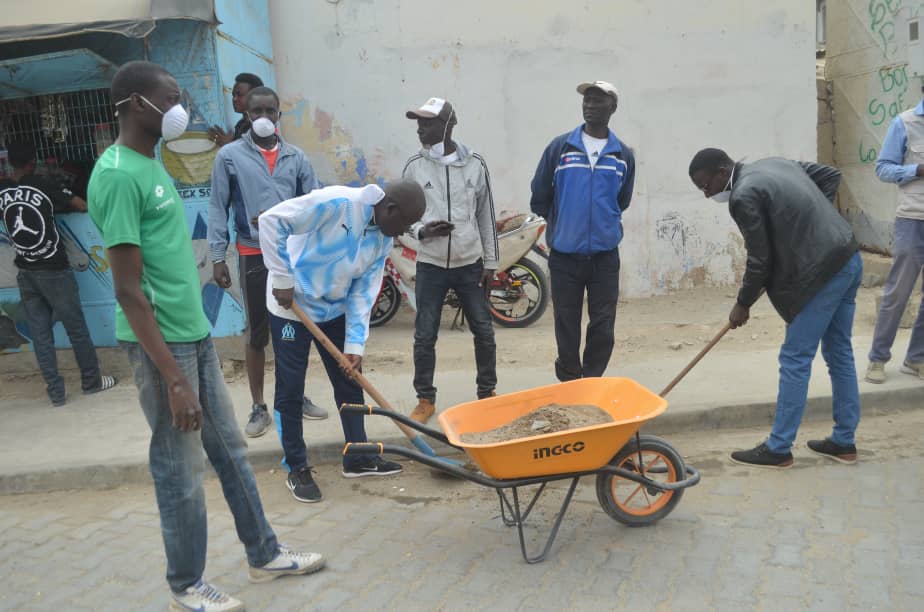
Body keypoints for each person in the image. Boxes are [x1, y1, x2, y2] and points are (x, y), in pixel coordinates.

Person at [88, 60, 324, 612]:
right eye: (168, 98)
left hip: (191, 335)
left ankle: (263, 553)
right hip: (162, 351)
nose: (180, 109)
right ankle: (185, 585)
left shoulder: (150, 164)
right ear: (133, 105)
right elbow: (126, 290)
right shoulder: (118, 174)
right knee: (179, 468)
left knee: (231, 451)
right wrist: (172, 378)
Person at [689, 148, 863, 468]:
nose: (707, 193)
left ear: (722, 169)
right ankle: (844, 441)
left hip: (822, 274)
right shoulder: (774, 163)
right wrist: (810, 226)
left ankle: (779, 447)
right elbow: (829, 175)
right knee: (840, 352)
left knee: (795, 358)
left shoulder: (743, 196)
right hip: (848, 258)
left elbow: (760, 261)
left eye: (706, 185)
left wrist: (742, 305)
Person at [258, 180, 425, 502]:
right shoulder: (335, 203)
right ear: (389, 209)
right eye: (404, 223)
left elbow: (364, 292)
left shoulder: (382, 239)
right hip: (289, 311)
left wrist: (354, 346)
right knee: (291, 387)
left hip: (333, 311)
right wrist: (281, 277)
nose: (404, 231)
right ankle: (297, 466)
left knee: (350, 381)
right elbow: (271, 221)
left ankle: (358, 456)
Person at [208, 85, 328, 440]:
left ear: (279, 115)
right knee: (258, 332)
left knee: (294, 330)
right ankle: (259, 406)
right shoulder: (229, 157)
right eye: (256, 111)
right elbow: (218, 206)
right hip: (252, 255)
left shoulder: (296, 158)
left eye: (269, 111)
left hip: (291, 257)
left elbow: (314, 203)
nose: (263, 118)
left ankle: (294, 396)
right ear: (246, 114)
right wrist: (218, 256)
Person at [530, 80, 636, 382]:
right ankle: (569, 379)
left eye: (598, 101)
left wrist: (601, 222)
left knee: (603, 323)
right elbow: (540, 194)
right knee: (566, 322)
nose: (590, 105)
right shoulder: (561, 148)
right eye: (587, 100)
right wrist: (562, 221)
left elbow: (622, 200)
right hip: (565, 255)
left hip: (604, 257)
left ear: (613, 107)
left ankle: (591, 380)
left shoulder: (622, 155)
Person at [402, 97, 499, 424]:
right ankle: (425, 399)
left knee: (484, 332)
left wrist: (491, 262)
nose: (420, 128)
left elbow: (486, 215)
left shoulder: (475, 165)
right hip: (430, 264)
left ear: (448, 125)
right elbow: (400, 217)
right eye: (418, 122)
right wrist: (422, 231)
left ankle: (487, 394)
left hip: (469, 262)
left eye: (427, 122)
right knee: (425, 334)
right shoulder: (415, 166)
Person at [0, 141, 117, 406]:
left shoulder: (3, 189)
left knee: (41, 335)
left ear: (9, 164)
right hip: (53, 269)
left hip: (25, 271)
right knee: (76, 327)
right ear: (33, 162)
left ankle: (56, 393)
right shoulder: (43, 184)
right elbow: (81, 205)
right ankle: (92, 382)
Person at [865, 92, 924, 383]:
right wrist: (916, 169)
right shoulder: (905, 122)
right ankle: (877, 359)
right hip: (912, 220)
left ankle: (916, 359)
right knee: (898, 291)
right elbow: (883, 169)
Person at [207, 72, 264, 146]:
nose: (234, 99)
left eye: (239, 95)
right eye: (233, 95)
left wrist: (229, 145)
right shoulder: (241, 125)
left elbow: (258, 154)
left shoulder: (261, 125)